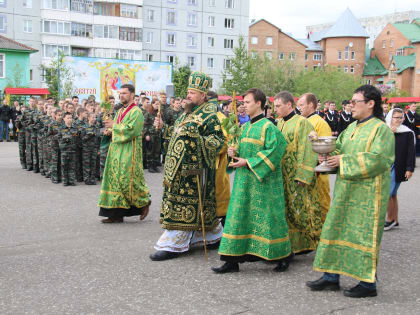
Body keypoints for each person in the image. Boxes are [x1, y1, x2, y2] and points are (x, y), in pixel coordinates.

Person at [307, 85, 394, 298]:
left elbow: (380, 160)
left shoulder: (380, 129)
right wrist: (327, 154)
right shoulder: (352, 127)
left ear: (371, 104)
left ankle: (368, 283)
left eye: (356, 102)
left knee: (362, 237)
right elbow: (340, 148)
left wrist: (342, 160)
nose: (350, 105)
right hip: (346, 191)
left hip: (367, 197)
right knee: (335, 231)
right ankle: (330, 277)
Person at [212, 88, 292, 274]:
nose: (243, 106)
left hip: (263, 185)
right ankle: (231, 261)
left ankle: (282, 257)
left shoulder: (268, 127)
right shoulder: (245, 127)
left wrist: (248, 162)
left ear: (259, 103)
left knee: (268, 220)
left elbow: (277, 150)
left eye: (247, 102)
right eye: (243, 103)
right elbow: (239, 149)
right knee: (238, 218)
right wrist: (234, 152)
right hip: (243, 183)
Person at [150, 71, 225, 261]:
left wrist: (197, 139)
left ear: (203, 95)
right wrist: (164, 129)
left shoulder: (210, 116)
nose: (188, 95)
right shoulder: (186, 114)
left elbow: (217, 142)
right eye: (188, 92)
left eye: (193, 92)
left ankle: (175, 243)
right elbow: (177, 136)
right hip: (176, 170)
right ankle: (211, 235)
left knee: (184, 206)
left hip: (194, 173)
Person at [274, 91, 322, 255]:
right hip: (282, 176)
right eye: (274, 106)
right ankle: (292, 246)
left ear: (289, 104)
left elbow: (310, 148)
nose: (275, 109)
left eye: (278, 106)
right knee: (287, 212)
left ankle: (314, 243)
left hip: (297, 177)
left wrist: (304, 175)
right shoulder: (278, 123)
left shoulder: (303, 123)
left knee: (302, 212)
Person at [98, 84, 151, 223]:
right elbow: (117, 127)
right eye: (120, 93)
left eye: (124, 93)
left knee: (127, 180)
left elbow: (132, 130)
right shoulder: (121, 110)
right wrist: (109, 131)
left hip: (129, 151)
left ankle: (144, 202)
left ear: (132, 95)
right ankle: (115, 214)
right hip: (116, 150)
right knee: (114, 180)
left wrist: (113, 126)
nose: (121, 96)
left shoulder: (136, 112)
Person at [297, 93, 332, 223]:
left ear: (311, 105)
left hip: (317, 173)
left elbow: (325, 149)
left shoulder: (319, 123)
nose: (299, 108)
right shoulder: (302, 121)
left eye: (301, 105)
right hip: (303, 172)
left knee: (320, 204)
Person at [384, 108, 415, 230]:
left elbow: (410, 152)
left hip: (398, 166)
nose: (399, 120)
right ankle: (395, 219)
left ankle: (389, 219)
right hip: (386, 165)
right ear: (390, 117)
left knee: (388, 193)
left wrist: (410, 168)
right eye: (396, 117)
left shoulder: (407, 132)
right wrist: (390, 133)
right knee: (393, 194)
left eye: (401, 117)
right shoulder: (385, 130)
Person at [208, 91, 231, 225]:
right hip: (206, 164)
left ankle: (222, 223)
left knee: (219, 191)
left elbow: (226, 141)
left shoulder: (222, 119)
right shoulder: (204, 117)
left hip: (219, 163)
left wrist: (207, 148)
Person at [58, 113, 78, 186]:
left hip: (72, 150)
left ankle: (72, 180)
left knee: (72, 166)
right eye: (68, 118)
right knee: (64, 166)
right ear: (64, 119)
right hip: (64, 150)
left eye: (71, 118)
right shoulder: (61, 128)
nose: (70, 119)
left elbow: (77, 138)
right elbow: (59, 139)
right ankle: (65, 181)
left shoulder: (75, 128)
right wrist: (65, 140)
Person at [143, 97, 162, 173]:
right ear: (152, 104)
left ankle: (155, 165)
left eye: (158, 104)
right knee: (150, 150)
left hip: (157, 134)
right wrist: (146, 134)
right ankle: (150, 166)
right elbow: (144, 125)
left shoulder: (159, 113)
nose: (157, 106)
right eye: (156, 104)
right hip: (150, 134)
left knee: (157, 150)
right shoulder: (148, 113)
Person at [81, 113, 100, 185]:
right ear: (88, 118)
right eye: (92, 117)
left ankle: (92, 178)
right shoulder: (84, 127)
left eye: (95, 117)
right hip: (87, 148)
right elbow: (81, 139)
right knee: (86, 164)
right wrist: (88, 136)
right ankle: (86, 179)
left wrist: (98, 149)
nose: (94, 119)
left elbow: (99, 138)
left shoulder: (97, 127)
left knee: (93, 163)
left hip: (94, 148)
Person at [48, 109, 64, 184]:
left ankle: (60, 176)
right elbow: (48, 135)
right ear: (55, 115)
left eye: (61, 115)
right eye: (58, 115)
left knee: (61, 161)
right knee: (55, 161)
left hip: (63, 146)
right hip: (54, 145)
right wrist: (57, 136)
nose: (60, 117)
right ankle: (54, 177)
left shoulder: (64, 124)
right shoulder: (51, 124)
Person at [23, 97, 36, 171]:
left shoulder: (37, 111)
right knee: (28, 147)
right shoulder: (26, 111)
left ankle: (35, 164)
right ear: (29, 102)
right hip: (28, 131)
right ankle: (29, 164)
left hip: (35, 131)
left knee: (35, 148)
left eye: (33, 101)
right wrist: (27, 126)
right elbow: (22, 121)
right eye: (31, 101)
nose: (32, 102)